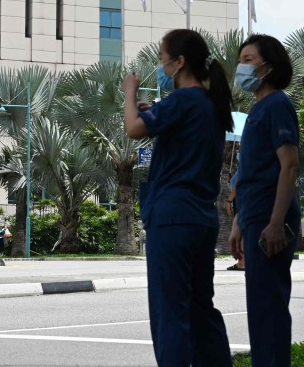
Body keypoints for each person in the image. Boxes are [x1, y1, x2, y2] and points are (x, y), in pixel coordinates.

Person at [123, 29, 233, 367]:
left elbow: (134, 129)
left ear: (179, 62)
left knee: (169, 309)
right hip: (201, 218)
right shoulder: (208, 105)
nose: (160, 65)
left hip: (172, 218)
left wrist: (129, 94)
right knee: (201, 306)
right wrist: (153, 110)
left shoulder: (181, 101)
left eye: (161, 57)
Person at [228, 34, 301, 367]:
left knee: (269, 309)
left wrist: (275, 223)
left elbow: (289, 165)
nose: (240, 66)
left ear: (268, 66)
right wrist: (239, 222)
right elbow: (250, 173)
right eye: (240, 59)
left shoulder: (277, 105)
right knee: (259, 308)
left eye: (248, 59)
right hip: (254, 217)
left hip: (271, 221)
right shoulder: (258, 109)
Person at [226, 171, 244, 271]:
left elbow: (238, 185)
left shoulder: (246, 160)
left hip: (240, 200)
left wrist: (229, 201)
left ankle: (242, 262)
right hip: (240, 200)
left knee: (241, 232)